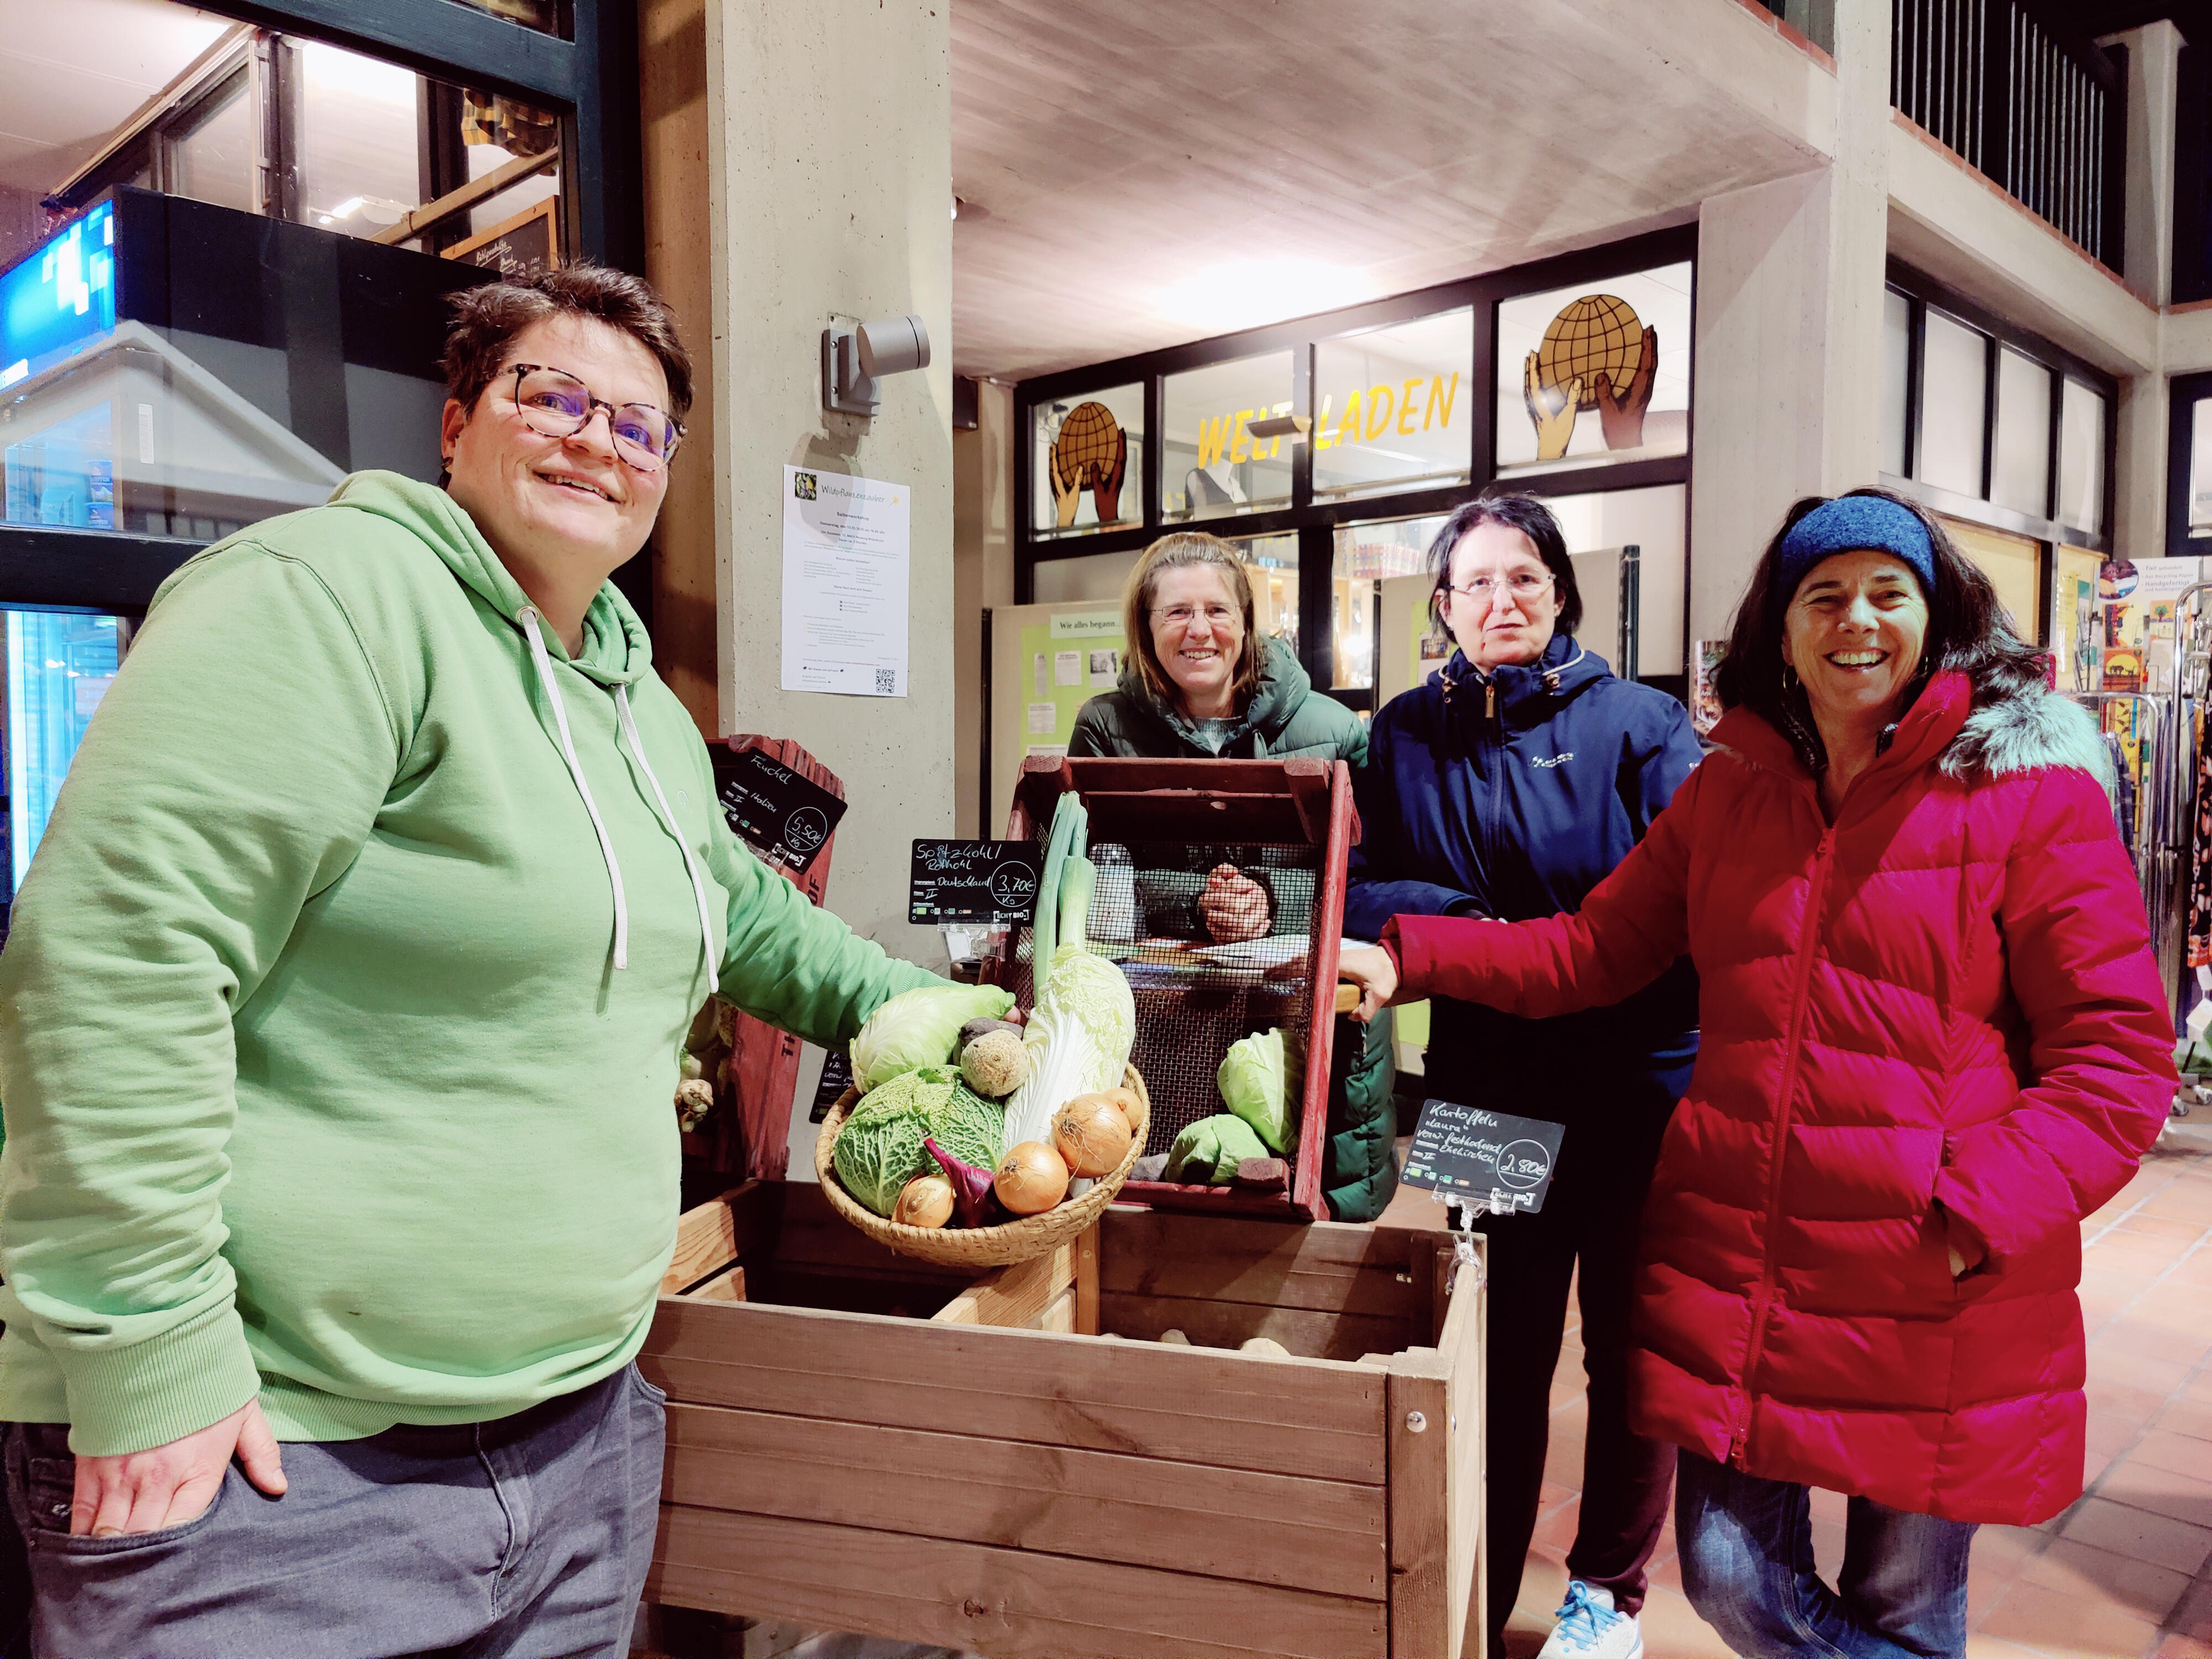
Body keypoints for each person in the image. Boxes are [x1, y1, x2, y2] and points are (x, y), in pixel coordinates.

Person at [0, 267, 947, 1657]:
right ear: (455, 426)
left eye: (637, 426)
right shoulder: (328, 599)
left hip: (571, 1443)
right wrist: (149, 1355)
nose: (595, 438)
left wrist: (919, 1007)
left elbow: (736, 907)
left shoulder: (634, 702)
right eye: (550, 394)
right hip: (282, 1467)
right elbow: (116, 963)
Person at [1341, 489, 2176, 1659]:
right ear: (1777, 632)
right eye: (1821, 597)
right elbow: (1591, 946)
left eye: (1889, 594)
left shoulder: (2027, 797)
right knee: (1731, 1578)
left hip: (1925, 1274)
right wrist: (1406, 956)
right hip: (1753, 1263)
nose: (1856, 622)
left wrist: (1969, 1216)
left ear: (1934, 617)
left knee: (1902, 1602)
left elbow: (2114, 1055)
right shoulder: (1728, 791)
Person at [1344, 491, 1703, 1659]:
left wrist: (1513, 942)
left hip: (1636, 1084)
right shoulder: (1399, 735)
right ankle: (1478, 1579)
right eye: (1475, 583)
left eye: (1524, 579)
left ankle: (1606, 1594)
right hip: (1485, 1089)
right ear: (1439, 606)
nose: (1500, 601)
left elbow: (1680, 912)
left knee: (1627, 1347)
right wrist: (1477, 921)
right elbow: (1358, 892)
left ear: (1559, 594)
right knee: (1493, 1348)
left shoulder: (1642, 728)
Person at [1067, 530, 1395, 1220]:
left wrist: (1271, 901)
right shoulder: (1105, 727)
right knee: (1167, 1203)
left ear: (1247, 622)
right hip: (1166, 1021)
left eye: (1217, 611)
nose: (1199, 631)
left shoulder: (1332, 729)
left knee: (1302, 1218)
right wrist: (1199, 904)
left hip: (1300, 1017)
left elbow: (1366, 877)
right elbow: (1096, 876)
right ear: (1146, 626)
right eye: (1176, 613)